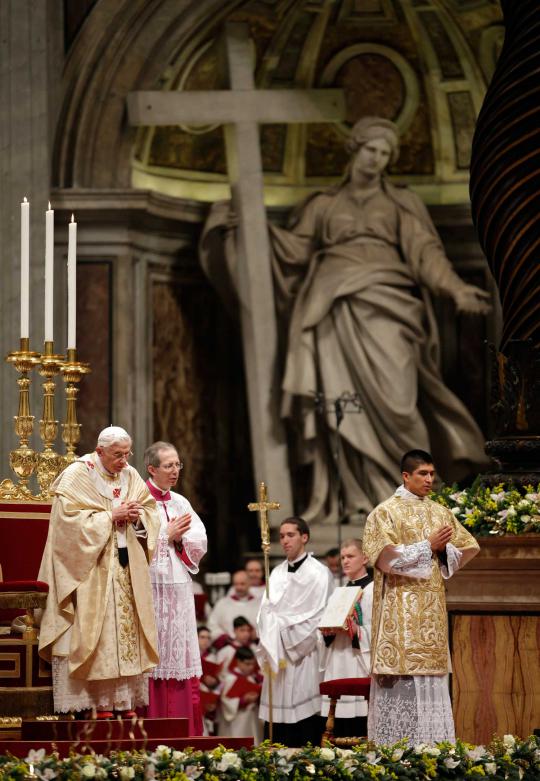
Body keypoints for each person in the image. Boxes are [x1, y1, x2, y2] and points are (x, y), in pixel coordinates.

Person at [201, 117, 490, 525]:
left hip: (388, 308)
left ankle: (412, 501)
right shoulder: (323, 204)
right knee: (338, 409)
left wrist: (457, 290)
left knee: (400, 404)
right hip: (330, 310)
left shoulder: (400, 203)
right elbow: (293, 252)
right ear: (355, 148)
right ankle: (350, 500)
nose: (378, 158)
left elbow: (426, 255)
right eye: (372, 149)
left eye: (386, 152)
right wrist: (249, 229)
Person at [38, 426, 160, 717]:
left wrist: (137, 516)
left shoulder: (130, 474)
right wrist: (110, 517)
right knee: (101, 632)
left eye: (127, 453)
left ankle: (123, 701)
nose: (124, 460)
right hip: (90, 569)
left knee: (126, 632)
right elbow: (65, 525)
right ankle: (98, 702)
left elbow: (149, 510)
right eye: (118, 455)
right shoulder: (76, 475)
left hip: (125, 567)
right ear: (100, 450)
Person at [363, 449, 480, 744]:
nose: (430, 480)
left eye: (431, 474)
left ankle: (432, 750)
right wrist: (426, 546)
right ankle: (394, 751)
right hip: (399, 611)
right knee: (403, 681)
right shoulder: (385, 512)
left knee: (431, 682)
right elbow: (384, 558)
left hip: (431, 613)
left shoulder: (440, 512)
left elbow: (467, 548)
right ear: (406, 476)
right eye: (423, 474)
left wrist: (442, 551)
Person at [144, 440, 207, 734]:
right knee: (153, 657)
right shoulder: (138, 499)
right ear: (152, 468)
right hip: (151, 587)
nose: (175, 471)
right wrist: (165, 536)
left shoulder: (181, 502)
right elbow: (130, 545)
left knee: (178, 656)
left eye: (178, 464)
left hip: (178, 588)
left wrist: (178, 540)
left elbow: (199, 540)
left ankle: (185, 731)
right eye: (168, 465)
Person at [257, 516, 334, 746]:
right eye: (281, 536)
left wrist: (283, 631)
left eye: (290, 535)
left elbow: (319, 616)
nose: (285, 540)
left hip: (303, 653)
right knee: (276, 724)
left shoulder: (319, 573)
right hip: (278, 653)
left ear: (304, 537)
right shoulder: (277, 573)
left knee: (304, 716)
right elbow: (264, 611)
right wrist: (272, 628)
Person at [320, 538, 373, 738]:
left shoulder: (373, 590)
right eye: (343, 557)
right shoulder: (338, 592)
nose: (345, 561)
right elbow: (326, 628)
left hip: (357, 662)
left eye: (350, 556)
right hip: (336, 660)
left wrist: (357, 631)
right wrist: (326, 633)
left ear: (365, 558)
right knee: (335, 725)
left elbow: (379, 632)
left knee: (358, 723)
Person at [217, 646, 263, 743]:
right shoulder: (230, 679)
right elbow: (225, 701)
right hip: (235, 721)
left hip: (251, 718)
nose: (250, 667)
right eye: (247, 664)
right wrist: (243, 700)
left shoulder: (251, 678)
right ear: (238, 661)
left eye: (252, 664)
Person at [208, 569, 260, 643]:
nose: (239, 587)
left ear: (249, 583)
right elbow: (212, 625)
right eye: (236, 584)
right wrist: (226, 639)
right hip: (228, 646)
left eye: (242, 584)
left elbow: (266, 627)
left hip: (253, 647)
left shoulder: (259, 604)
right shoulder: (223, 603)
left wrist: (257, 634)